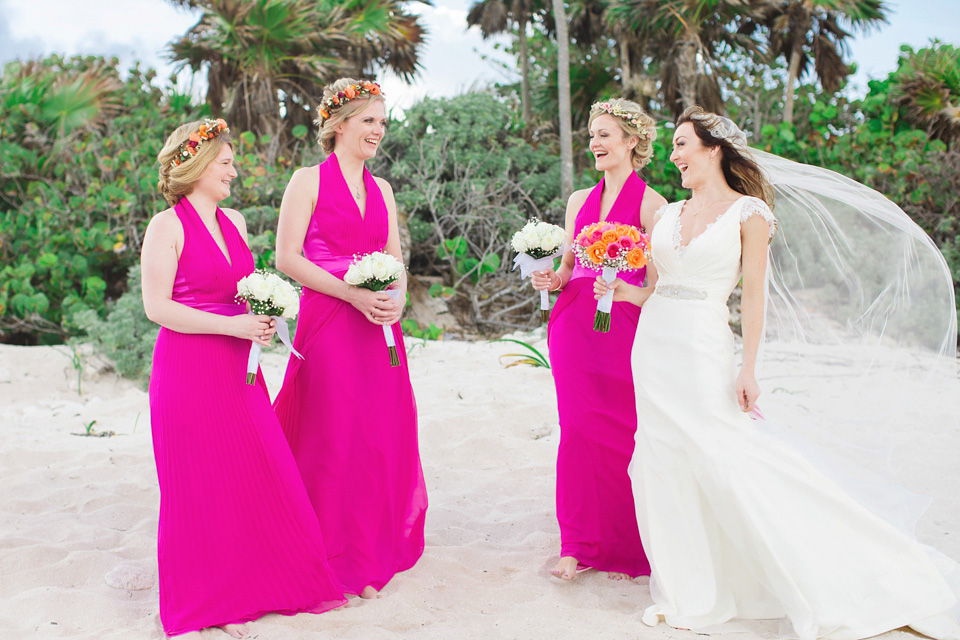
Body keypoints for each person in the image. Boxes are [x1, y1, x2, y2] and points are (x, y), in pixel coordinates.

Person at [595, 106, 960, 638]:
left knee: (723, 454)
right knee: (662, 461)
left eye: (680, 145)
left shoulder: (750, 214)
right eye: (671, 147)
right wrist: (617, 288)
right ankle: (692, 592)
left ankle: (820, 564)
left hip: (702, 347)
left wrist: (748, 368)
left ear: (713, 148)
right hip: (653, 348)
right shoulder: (667, 213)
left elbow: (755, 299)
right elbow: (650, 284)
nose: (672, 157)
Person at [141, 119, 346, 638]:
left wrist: (265, 318)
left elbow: (241, 291)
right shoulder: (166, 226)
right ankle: (213, 603)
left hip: (239, 368)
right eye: (226, 161)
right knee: (201, 482)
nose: (235, 169)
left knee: (258, 467)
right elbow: (156, 307)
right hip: (187, 370)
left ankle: (258, 587)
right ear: (199, 165)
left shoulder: (235, 220)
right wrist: (229, 324)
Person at [272, 79, 427, 600]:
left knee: (377, 434)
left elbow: (395, 258)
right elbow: (287, 259)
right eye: (369, 121)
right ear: (339, 125)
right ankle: (331, 554)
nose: (378, 131)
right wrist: (351, 294)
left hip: (381, 327)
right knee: (333, 435)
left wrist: (397, 300)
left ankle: (367, 552)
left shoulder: (383, 190)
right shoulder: (307, 180)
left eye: (383, 123)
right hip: (330, 323)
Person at [530, 98, 667, 581]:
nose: (595, 142)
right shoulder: (577, 201)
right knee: (579, 429)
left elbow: (660, 286)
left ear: (632, 141)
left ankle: (631, 541)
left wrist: (627, 290)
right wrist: (551, 280)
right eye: (592, 134)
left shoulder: (654, 207)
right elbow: (569, 269)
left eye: (605, 134)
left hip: (623, 331)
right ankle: (577, 544)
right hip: (573, 325)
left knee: (622, 431)